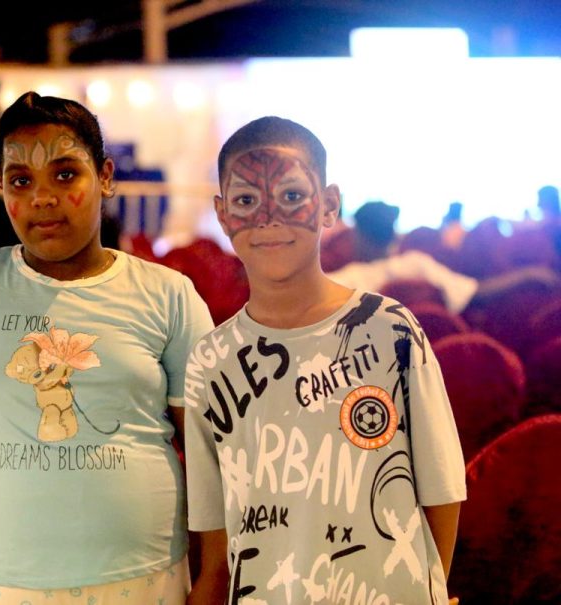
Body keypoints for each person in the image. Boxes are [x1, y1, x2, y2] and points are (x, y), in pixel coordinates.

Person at [0, 92, 213, 605]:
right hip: (11, 579)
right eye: (21, 181)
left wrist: (214, 574)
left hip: (148, 572)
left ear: (105, 176)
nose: (42, 198)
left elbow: (207, 449)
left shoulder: (167, 294)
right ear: (1, 189)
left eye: (65, 174)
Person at [184, 116, 466, 604]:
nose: (268, 218)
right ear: (223, 214)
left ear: (330, 205)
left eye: (292, 196)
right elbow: (216, 538)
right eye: (246, 201)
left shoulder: (391, 331)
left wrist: (428, 589)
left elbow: (441, 489)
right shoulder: (211, 361)